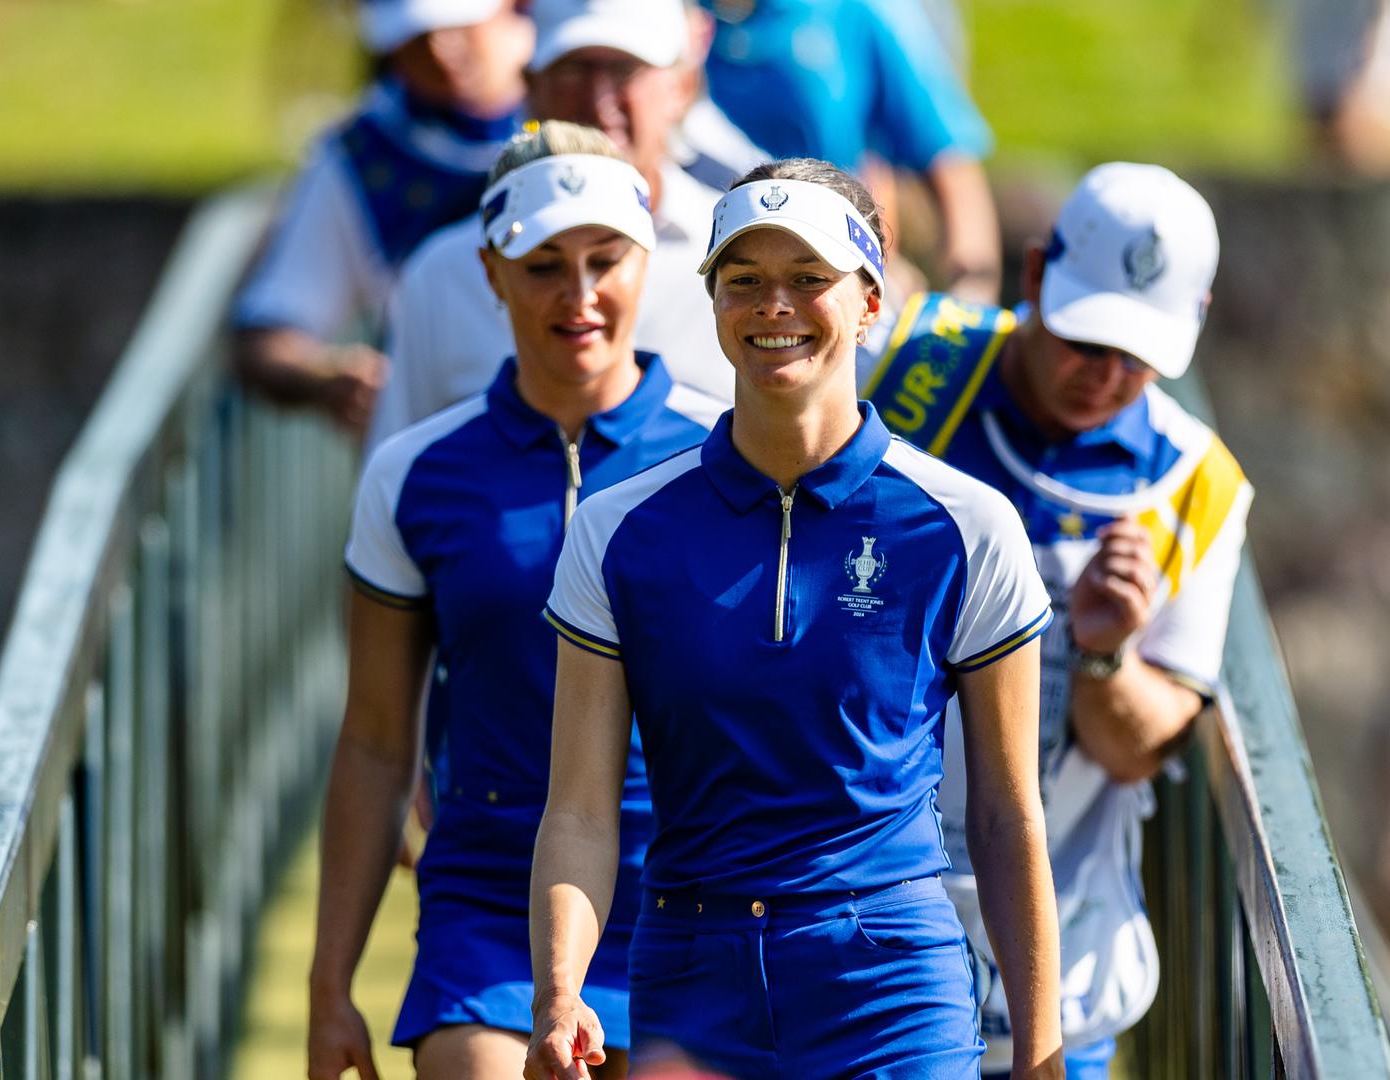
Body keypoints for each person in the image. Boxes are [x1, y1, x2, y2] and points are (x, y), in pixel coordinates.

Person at [529, 159, 1065, 1080]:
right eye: (745, 282)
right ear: (713, 304)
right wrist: (560, 992)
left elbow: (1008, 817)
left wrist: (1042, 1049)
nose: (774, 305)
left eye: (809, 279)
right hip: (690, 973)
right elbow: (578, 807)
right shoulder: (617, 530)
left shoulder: (966, 525)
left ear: (868, 302)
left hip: (892, 978)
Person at [310, 123, 721, 1080]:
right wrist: (330, 990)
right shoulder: (415, 475)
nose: (579, 297)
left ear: (646, 258)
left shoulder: (726, 458)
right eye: (543, 267)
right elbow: (374, 738)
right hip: (490, 894)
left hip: (694, 892)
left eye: (604, 260)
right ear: (490, 273)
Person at [859, 163, 1254, 1078]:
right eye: (1086, 338)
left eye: (1138, 354)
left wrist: (1108, 654)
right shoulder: (909, 363)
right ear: (1034, 274)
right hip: (862, 921)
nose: (1105, 375)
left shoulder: (1196, 484)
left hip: (1053, 962)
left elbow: (1139, 746)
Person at [368, 0, 737, 449]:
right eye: (573, 69)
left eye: (625, 69)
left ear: (683, 85)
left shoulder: (747, 251)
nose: (599, 101)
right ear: (529, 86)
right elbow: (400, 476)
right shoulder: (442, 272)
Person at [229, 0, 530, 432]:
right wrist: (327, 379)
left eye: (458, 25)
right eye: (416, 37)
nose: (440, 51)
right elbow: (270, 329)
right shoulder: (363, 156)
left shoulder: (597, 104)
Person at [698, 0, 1001, 302]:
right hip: (706, 271)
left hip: (844, 273)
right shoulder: (672, 16)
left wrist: (969, 308)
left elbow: (951, 164)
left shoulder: (856, 10)